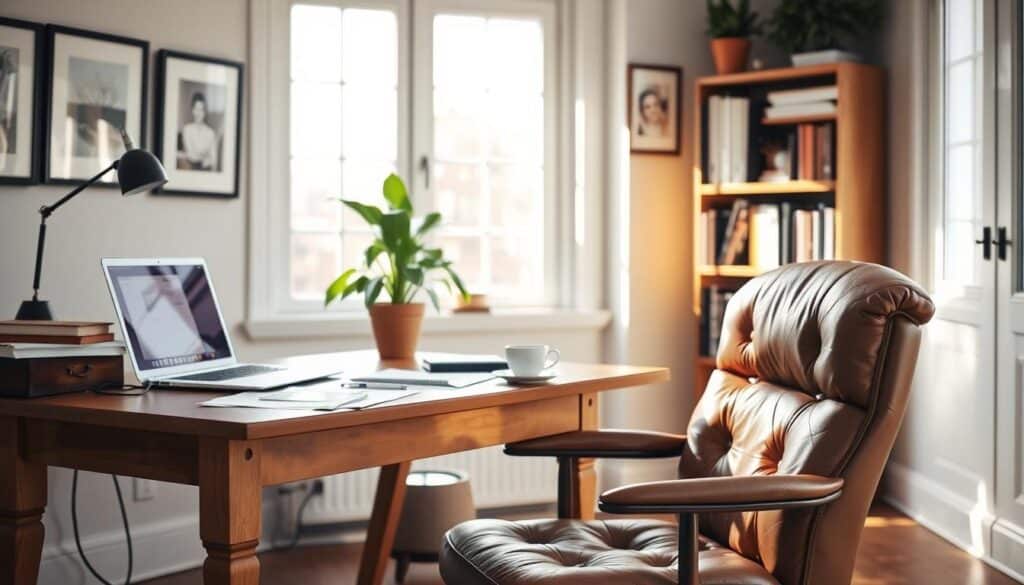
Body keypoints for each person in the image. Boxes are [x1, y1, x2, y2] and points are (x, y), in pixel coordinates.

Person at [177, 91, 218, 171]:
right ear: (192, 110)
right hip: (190, 169)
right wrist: (204, 156)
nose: (199, 113)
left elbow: (213, 160)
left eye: (201, 109)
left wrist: (204, 158)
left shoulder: (211, 133)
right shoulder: (187, 129)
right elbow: (190, 155)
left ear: (205, 112)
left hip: (206, 171)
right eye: (196, 109)